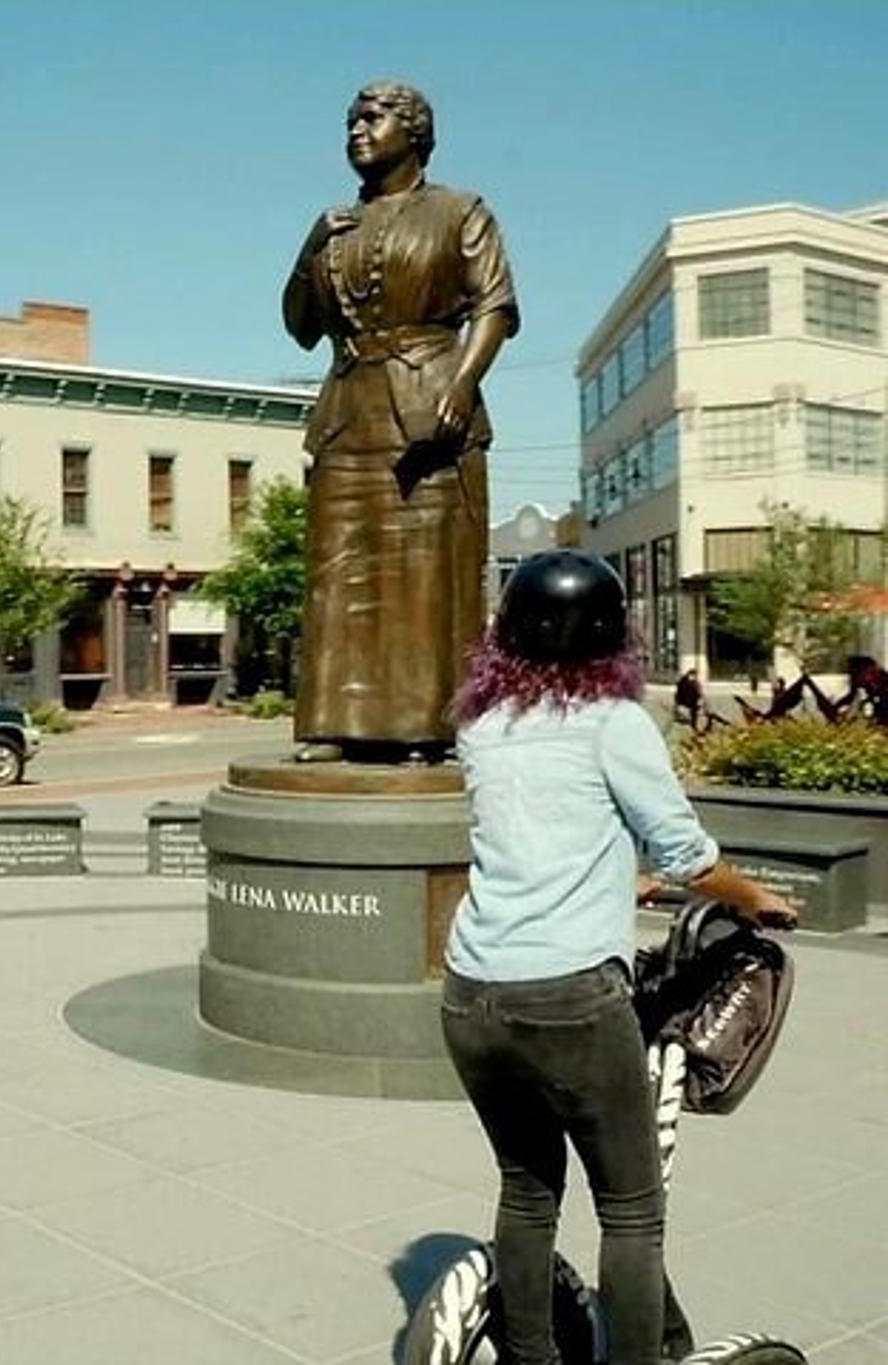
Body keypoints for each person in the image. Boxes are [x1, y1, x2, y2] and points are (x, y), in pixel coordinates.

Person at [442, 550, 795, 1365]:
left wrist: (613, 882)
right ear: (611, 633)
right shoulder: (612, 719)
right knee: (632, 1209)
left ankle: (531, 1357)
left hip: (472, 995)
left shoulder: (481, 722)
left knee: (528, 1189)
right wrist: (757, 899)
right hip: (567, 997)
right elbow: (688, 858)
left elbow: (535, 831)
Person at [282, 81, 519, 764]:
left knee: (426, 575)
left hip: (428, 411)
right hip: (346, 415)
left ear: (413, 132)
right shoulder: (334, 226)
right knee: (338, 574)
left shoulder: (459, 210)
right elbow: (300, 328)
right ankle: (333, 721)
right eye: (350, 119)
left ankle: (427, 727)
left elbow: (494, 306)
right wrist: (309, 248)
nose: (356, 129)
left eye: (372, 118)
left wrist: (461, 383)